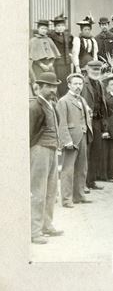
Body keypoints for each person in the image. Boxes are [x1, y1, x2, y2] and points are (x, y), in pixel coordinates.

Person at [29, 72, 64, 244]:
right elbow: (29, 134)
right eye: (48, 86)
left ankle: (46, 225)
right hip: (40, 149)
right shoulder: (34, 106)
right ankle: (34, 231)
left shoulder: (51, 104)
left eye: (54, 86)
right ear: (39, 88)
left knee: (51, 190)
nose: (52, 89)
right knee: (38, 191)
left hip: (51, 149)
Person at [57, 73, 93, 207]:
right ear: (69, 85)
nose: (78, 86)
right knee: (68, 170)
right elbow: (62, 123)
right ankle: (66, 200)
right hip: (71, 139)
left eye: (80, 84)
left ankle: (79, 195)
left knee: (82, 168)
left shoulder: (82, 100)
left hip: (83, 136)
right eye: (75, 84)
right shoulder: (63, 101)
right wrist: (67, 140)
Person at [82, 60, 108, 190]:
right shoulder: (82, 83)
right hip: (85, 122)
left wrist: (104, 125)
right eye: (93, 70)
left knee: (95, 152)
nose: (96, 72)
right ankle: (83, 183)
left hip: (97, 122)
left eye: (98, 70)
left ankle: (91, 181)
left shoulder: (100, 84)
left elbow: (103, 105)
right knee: (85, 152)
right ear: (87, 70)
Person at [49, 14, 73, 96]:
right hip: (58, 62)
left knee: (68, 81)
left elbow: (70, 46)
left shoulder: (67, 35)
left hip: (67, 62)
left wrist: (70, 54)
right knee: (60, 82)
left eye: (62, 26)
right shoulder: (51, 36)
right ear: (55, 27)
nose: (60, 28)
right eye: (58, 26)